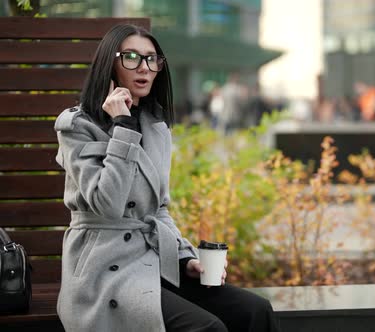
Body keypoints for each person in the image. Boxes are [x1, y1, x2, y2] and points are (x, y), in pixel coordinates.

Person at [54, 24, 281, 332]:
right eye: (131, 57)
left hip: (153, 262)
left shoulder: (155, 126)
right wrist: (122, 126)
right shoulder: (76, 126)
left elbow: (159, 208)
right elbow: (107, 205)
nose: (144, 67)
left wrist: (186, 258)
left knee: (255, 310)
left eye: (151, 59)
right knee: (207, 328)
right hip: (105, 271)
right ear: (110, 64)